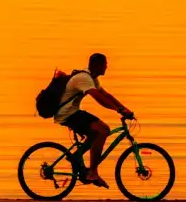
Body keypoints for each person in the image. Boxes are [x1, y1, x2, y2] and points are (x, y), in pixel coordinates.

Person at [54, 53, 134, 188]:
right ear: (97, 65)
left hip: (72, 112)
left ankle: (77, 157)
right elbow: (98, 98)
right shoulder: (84, 78)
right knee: (103, 130)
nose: (107, 67)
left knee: (98, 132)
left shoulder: (92, 78)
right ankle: (92, 172)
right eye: (105, 64)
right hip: (67, 114)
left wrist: (124, 108)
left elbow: (106, 95)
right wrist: (118, 110)